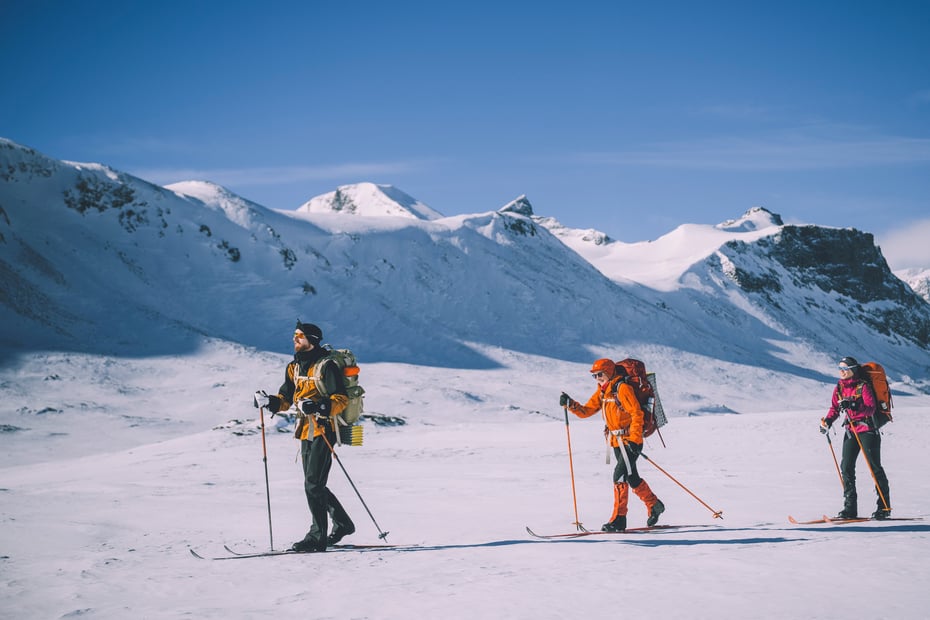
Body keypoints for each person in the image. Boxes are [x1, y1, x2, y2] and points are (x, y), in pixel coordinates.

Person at [254, 320, 356, 551]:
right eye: (295, 335)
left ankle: (317, 537)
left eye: (299, 336)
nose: (295, 339)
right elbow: (285, 398)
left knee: (313, 484)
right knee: (314, 484)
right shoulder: (294, 367)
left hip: (325, 429)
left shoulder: (326, 366)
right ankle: (343, 524)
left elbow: (340, 399)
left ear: (312, 340)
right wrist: (269, 401)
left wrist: (319, 408)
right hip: (304, 429)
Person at [560, 358, 665, 531]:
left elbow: (637, 413)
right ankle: (654, 504)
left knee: (619, 476)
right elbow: (587, 411)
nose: (597, 378)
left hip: (630, 441)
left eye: (599, 375)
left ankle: (619, 519)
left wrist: (635, 440)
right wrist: (571, 404)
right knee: (631, 478)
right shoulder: (604, 391)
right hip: (616, 442)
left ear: (609, 372)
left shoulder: (622, 388)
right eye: (594, 376)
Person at [821, 356, 891, 520]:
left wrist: (853, 405)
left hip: (867, 430)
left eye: (845, 369)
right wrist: (828, 422)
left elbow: (870, 408)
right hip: (851, 430)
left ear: (852, 370)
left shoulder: (863, 386)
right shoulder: (839, 387)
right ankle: (850, 508)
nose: (842, 372)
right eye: (840, 369)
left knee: (875, 468)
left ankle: (884, 507)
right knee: (846, 467)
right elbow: (835, 408)